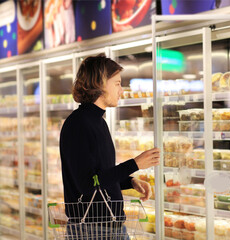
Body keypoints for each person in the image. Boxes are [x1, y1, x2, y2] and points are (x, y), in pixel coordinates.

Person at [59, 53, 160, 240]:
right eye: (118, 83)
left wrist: (129, 182)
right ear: (99, 83)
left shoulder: (97, 121)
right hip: (92, 229)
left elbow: (100, 175)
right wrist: (135, 164)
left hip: (108, 227)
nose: (121, 90)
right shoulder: (78, 124)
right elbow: (88, 184)